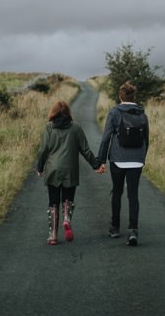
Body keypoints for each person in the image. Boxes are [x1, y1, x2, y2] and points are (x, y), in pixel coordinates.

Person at [35, 100, 101, 245]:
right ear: (68, 113)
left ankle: (52, 236)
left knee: (53, 202)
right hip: (70, 169)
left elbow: (43, 150)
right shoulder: (76, 128)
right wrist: (96, 165)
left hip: (52, 170)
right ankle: (66, 218)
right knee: (68, 199)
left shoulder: (49, 128)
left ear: (53, 112)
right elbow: (85, 150)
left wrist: (39, 167)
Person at [96, 81, 149, 246]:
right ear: (134, 96)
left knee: (117, 192)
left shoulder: (114, 112)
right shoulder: (142, 114)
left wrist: (100, 161)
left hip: (118, 159)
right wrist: (141, 158)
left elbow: (106, 138)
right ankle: (133, 231)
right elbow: (146, 140)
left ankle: (115, 227)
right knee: (133, 195)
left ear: (120, 97)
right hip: (136, 160)